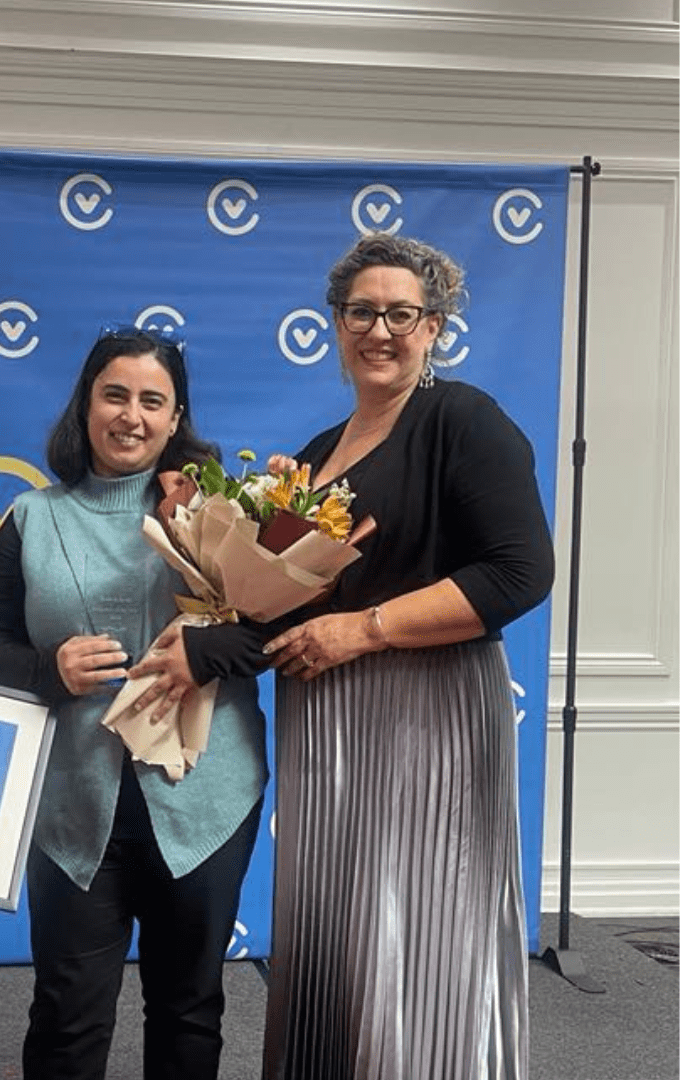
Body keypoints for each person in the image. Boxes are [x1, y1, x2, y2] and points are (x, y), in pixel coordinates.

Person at [259, 232, 554, 1080]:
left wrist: (365, 629)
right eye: (361, 311)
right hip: (325, 724)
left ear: (435, 327)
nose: (378, 329)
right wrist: (272, 518)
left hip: (428, 715)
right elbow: (278, 595)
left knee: (419, 937)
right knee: (334, 938)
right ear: (335, 323)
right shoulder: (317, 452)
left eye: (401, 313)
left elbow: (518, 572)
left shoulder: (463, 420)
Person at [0, 326, 269, 1080]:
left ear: (176, 420)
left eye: (151, 401)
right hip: (75, 808)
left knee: (189, 1007)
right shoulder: (31, 520)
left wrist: (203, 655)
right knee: (67, 1016)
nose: (130, 415)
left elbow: (271, 632)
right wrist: (47, 669)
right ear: (85, 405)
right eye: (114, 395)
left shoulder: (219, 511)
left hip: (205, 798)